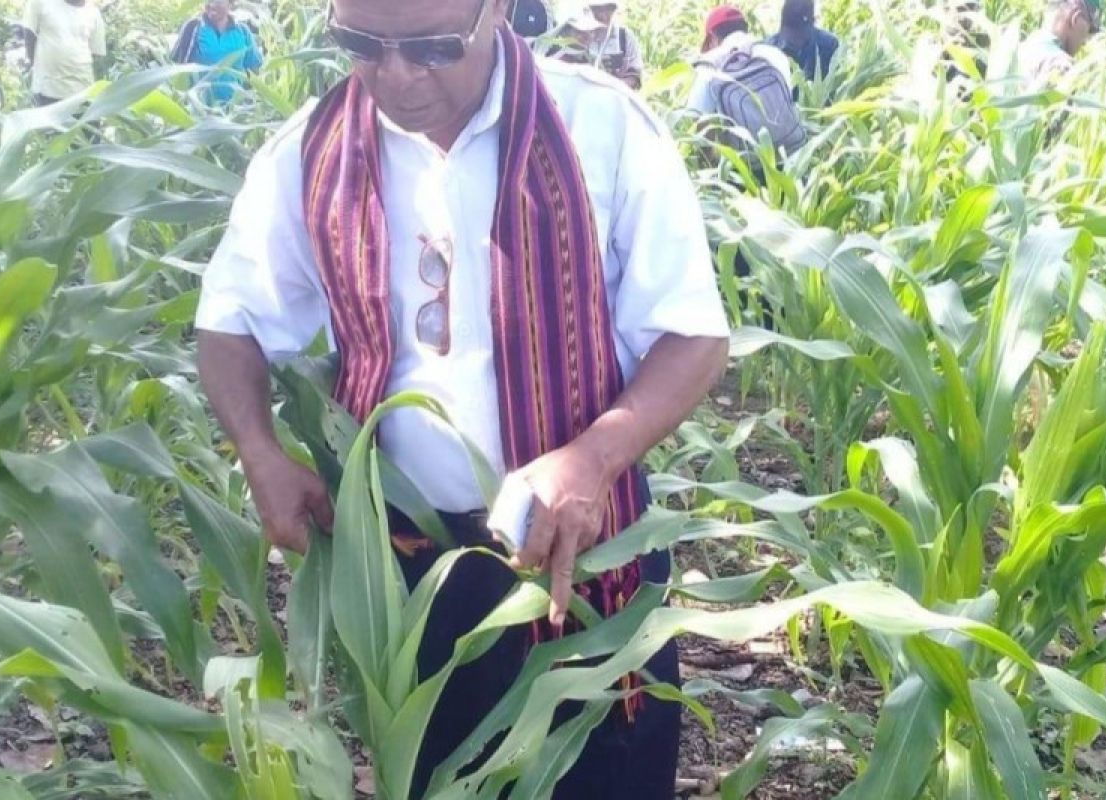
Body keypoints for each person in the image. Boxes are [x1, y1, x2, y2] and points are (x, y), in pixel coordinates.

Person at [194, 0, 729, 797]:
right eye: (362, 45)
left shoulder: (603, 131)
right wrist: (261, 453)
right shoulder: (312, 149)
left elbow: (693, 335)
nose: (397, 75)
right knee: (435, 773)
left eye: (432, 46)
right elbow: (229, 322)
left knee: (603, 770)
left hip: (585, 548)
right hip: (409, 571)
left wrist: (592, 455)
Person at [687, 6, 804, 156]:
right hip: (791, 152)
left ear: (713, 37)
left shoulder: (709, 66)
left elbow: (699, 124)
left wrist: (712, 162)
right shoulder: (774, 53)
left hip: (746, 166)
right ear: (744, 29)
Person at [170, 0, 263, 104]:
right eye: (208, 0)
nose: (211, 4)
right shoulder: (193, 28)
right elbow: (178, 71)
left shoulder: (243, 31)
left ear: (230, 4)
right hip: (200, 108)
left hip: (235, 109)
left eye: (217, 1)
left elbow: (253, 71)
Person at [21, 0, 106, 106]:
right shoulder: (40, 3)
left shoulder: (93, 13)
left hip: (84, 93)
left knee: (84, 123)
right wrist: (34, 63)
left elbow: (96, 53)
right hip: (48, 91)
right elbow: (29, 32)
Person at [1017, 0, 1101, 88]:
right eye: (1091, 29)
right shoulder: (1061, 66)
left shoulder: (1017, 50)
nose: (1086, 40)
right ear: (1075, 18)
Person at [768, 0, 839, 82]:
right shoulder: (768, 50)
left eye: (798, 35)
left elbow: (833, 87)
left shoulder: (828, 45)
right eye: (791, 34)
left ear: (811, 26)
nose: (793, 41)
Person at [586, 1, 644, 89]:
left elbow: (635, 77)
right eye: (598, 9)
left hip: (617, 97)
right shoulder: (580, 34)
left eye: (608, 9)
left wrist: (611, 86)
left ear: (614, 9)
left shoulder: (625, 36)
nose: (603, 16)